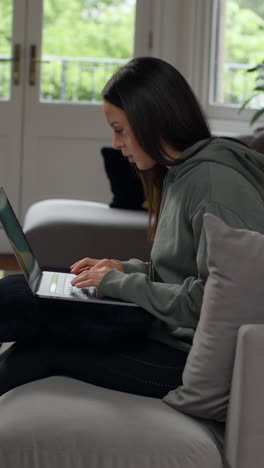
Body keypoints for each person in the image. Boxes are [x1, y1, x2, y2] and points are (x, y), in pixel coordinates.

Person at [1, 56, 264, 399]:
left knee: (38, 340)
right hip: (161, 331)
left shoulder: (214, 184)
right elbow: (179, 271)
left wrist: (120, 284)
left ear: (153, 120)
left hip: (181, 360)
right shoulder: (181, 172)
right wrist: (122, 268)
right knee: (18, 291)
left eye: (119, 129)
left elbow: (215, 300)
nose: (115, 143)